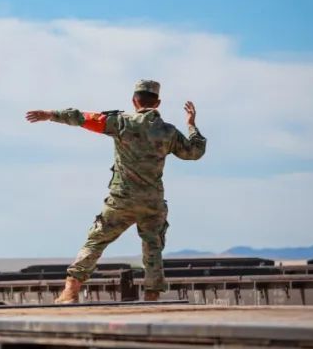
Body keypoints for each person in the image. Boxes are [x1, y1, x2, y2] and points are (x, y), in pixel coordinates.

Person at [25, 80, 206, 303]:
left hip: (122, 200)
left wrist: (50, 114)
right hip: (152, 202)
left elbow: (83, 118)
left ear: (134, 101)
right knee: (153, 247)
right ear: (157, 103)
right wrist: (191, 125)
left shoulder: (121, 123)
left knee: (96, 240)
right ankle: (152, 295)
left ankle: (71, 290)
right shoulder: (168, 132)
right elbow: (194, 152)